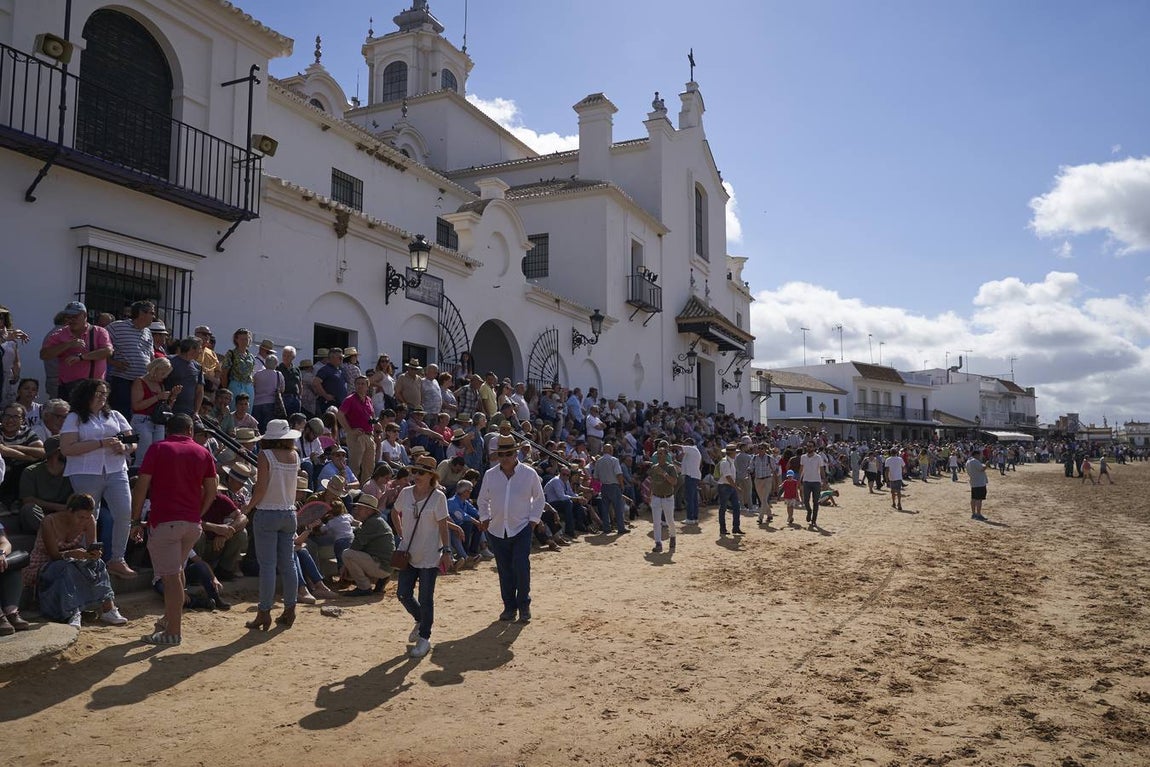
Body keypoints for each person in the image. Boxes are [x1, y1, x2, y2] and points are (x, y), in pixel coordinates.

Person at [130, 413, 218, 645]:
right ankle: (168, 622)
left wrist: (135, 520)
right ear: (190, 431)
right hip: (191, 524)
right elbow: (212, 490)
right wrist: (198, 513)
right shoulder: (203, 452)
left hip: (165, 522)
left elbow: (141, 487)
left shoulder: (158, 448)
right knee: (176, 572)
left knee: (170, 578)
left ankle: (173, 632)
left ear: (168, 431)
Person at [58, 379, 136, 578]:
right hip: (85, 471)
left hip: (116, 470)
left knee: (124, 513)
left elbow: (132, 441)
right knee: (89, 515)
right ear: (87, 394)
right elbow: (67, 448)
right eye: (98, 393)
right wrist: (101, 443)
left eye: (105, 393)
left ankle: (118, 559)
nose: (103, 397)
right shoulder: (74, 417)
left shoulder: (115, 415)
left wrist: (124, 447)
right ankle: (86, 557)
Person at [23, 492, 128, 627]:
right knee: (67, 567)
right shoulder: (49, 521)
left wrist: (94, 554)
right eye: (80, 517)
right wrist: (71, 554)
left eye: (87, 517)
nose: (83, 521)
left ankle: (109, 609)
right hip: (45, 564)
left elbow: (91, 546)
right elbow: (53, 555)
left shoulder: (89, 520)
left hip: (72, 561)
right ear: (70, 511)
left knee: (98, 563)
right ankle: (72, 612)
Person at [241, 419, 302, 631]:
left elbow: (261, 489)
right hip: (289, 512)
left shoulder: (265, 455)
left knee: (267, 565)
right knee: (288, 564)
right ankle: (290, 609)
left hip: (267, 513)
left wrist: (247, 508)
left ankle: (264, 612)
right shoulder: (295, 455)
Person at [477, 435, 545, 624]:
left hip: (522, 527)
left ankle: (523, 606)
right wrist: (484, 517)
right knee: (504, 569)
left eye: (508, 453)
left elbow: (539, 498)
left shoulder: (529, 473)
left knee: (521, 567)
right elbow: (482, 500)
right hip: (497, 528)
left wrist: (533, 521)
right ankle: (509, 607)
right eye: (501, 454)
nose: (505, 458)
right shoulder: (490, 474)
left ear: (515, 454)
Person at [392, 454, 451, 658]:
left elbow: (443, 525)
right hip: (407, 552)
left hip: (429, 554)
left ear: (431, 476)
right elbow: (394, 512)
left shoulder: (438, 497)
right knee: (403, 594)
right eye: (415, 471)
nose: (416, 475)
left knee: (426, 598)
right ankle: (420, 620)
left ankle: (425, 637)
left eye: (421, 472)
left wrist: (447, 551)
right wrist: (401, 533)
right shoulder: (406, 493)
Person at [39, 301, 113, 402]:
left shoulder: (99, 332)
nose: (71, 320)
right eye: (68, 317)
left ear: (85, 315)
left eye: (75, 316)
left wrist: (81, 357)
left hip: (95, 388)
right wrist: (68, 344)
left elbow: (108, 351)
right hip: (69, 388)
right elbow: (44, 355)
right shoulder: (59, 334)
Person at [341, 492, 395, 596]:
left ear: (369, 511)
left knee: (347, 554)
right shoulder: (374, 521)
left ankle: (364, 587)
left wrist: (344, 566)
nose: (356, 510)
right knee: (351, 558)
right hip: (385, 565)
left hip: (381, 565)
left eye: (360, 508)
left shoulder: (372, 523)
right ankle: (380, 580)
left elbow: (355, 546)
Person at [130, 356, 178, 467]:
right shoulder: (139, 382)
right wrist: (157, 397)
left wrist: (173, 397)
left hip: (158, 422)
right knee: (143, 456)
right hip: (142, 420)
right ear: (155, 369)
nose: (164, 377)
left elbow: (165, 409)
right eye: (163, 373)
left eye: (166, 374)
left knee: (157, 455)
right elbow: (136, 406)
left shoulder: (160, 385)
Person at [18, 436, 72, 534]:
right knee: (28, 509)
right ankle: (53, 534)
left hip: (63, 513)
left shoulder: (72, 470)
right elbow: (28, 500)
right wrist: (58, 507)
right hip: (41, 513)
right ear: (57, 452)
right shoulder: (30, 471)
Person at [337, 375, 376, 483]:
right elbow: (340, 415)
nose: (360, 386)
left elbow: (371, 415)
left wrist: (375, 426)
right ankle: (351, 488)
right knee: (355, 466)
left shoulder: (368, 400)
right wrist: (349, 430)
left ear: (367, 386)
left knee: (369, 467)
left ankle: (364, 490)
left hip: (369, 435)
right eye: (358, 383)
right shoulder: (350, 399)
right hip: (357, 436)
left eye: (363, 384)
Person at [648, 440, 679, 553]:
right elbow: (652, 482)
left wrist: (664, 474)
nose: (659, 455)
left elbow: (674, 482)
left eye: (661, 454)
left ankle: (672, 536)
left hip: (667, 497)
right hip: (656, 497)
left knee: (670, 520)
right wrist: (650, 495)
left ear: (666, 455)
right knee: (656, 522)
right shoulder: (654, 468)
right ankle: (658, 543)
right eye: (658, 453)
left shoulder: (670, 468)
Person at [221, 328, 257, 402]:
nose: (244, 341)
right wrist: (226, 389)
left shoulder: (251, 356)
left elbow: (251, 373)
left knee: (248, 407)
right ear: (236, 340)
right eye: (241, 339)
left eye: (246, 339)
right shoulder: (231, 354)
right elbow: (224, 373)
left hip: (249, 386)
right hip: (235, 385)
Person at [716, 443, 743, 536]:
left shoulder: (728, 461)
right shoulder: (725, 462)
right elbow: (728, 477)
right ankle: (726, 528)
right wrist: (736, 487)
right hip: (725, 486)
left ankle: (734, 528)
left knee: (733, 507)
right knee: (725, 508)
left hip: (727, 486)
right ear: (732, 453)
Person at [678, 437, 702, 526]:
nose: (684, 446)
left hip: (691, 476)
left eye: (685, 444)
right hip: (693, 476)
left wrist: (670, 446)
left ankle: (690, 518)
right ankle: (694, 518)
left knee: (689, 498)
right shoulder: (692, 452)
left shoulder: (691, 449)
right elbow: (683, 464)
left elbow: (679, 447)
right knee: (694, 498)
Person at [966, 451, 989, 521]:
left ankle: (974, 514)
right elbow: (982, 469)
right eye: (979, 455)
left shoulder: (968, 461)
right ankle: (978, 514)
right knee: (979, 499)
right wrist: (986, 465)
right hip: (979, 482)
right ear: (976, 455)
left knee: (973, 499)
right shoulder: (975, 461)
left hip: (974, 482)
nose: (980, 456)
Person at [883, 447, 906, 512]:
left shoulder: (888, 460)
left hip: (892, 477)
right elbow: (904, 466)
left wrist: (886, 478)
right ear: (896, 453)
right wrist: (903, 472)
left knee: (892, 491)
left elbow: (887, 470)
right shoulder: (900, 459)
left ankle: (894, 503)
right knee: (898, 491)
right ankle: (899, 503)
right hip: (898, 477)